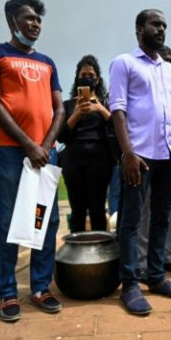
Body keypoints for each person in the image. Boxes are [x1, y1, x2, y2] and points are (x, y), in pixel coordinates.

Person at [0, 0, 65, 322]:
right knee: (10, 221)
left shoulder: (47, 61)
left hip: (46, 152)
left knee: (46, 219)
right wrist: (29, 144)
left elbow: (59, 108)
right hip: (10, 151)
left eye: (39, 20)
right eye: (29, 18)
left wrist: (45, 145)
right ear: (12, 21)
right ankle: (8, 293)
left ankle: (41, 287)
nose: (35, 24)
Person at [109, 9, 171, 316]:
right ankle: (129, 284)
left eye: (165, 26)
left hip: (168, 155)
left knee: (162, 218)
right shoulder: (124, 63)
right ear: (139, 28)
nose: (161, 30)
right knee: (130, 221)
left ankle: (157, 277)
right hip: (138, 156)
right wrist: (127, 153)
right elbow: (117, 109)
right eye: (155, 24)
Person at [136, 45, 171, 278]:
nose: (166, 63)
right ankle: (141, 262)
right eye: (162, 59)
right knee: (146, 211)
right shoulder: (142, 87)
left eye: (170, 59)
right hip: (148, 159)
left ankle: (168, 256)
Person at [58, 55, 114, 233]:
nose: (87, 78)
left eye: (91, 75)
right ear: (77, 78)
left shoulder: (106, 103)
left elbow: (117, 127)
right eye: (83, 74)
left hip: (100, 162)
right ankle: (76, 254)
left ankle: (100, 252)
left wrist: (99, 108)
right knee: (77, 211)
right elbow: (61, 136)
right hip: (73, 161)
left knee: (98, 209)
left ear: (97, 79)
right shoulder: (67, 105)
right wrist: (76, 114)